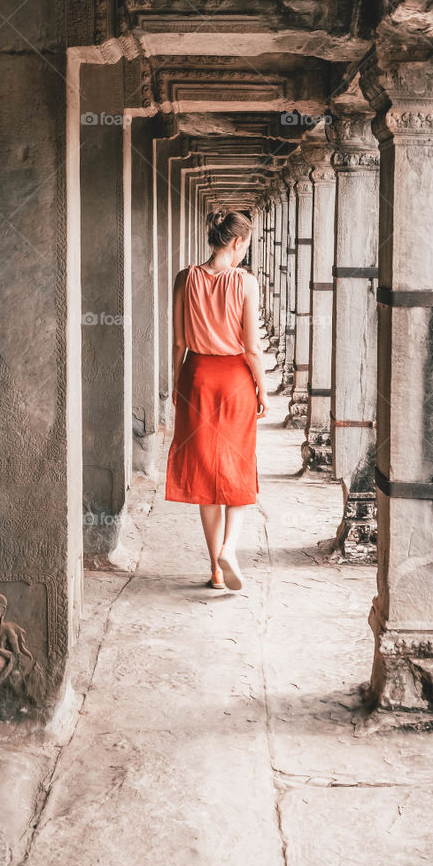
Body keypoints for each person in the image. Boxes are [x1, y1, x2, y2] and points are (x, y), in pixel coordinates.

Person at [165, 209, 268, 591]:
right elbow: (252, 348)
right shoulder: (245, 282)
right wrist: (263, 387)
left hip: (197, 377)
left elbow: (178, 343)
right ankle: (230, 546)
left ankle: (216, 570)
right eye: (246, 245)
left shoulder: (185, 278)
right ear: (237, 241)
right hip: (235, 379)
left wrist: (178, 384)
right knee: (238, 467)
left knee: (206, 472)